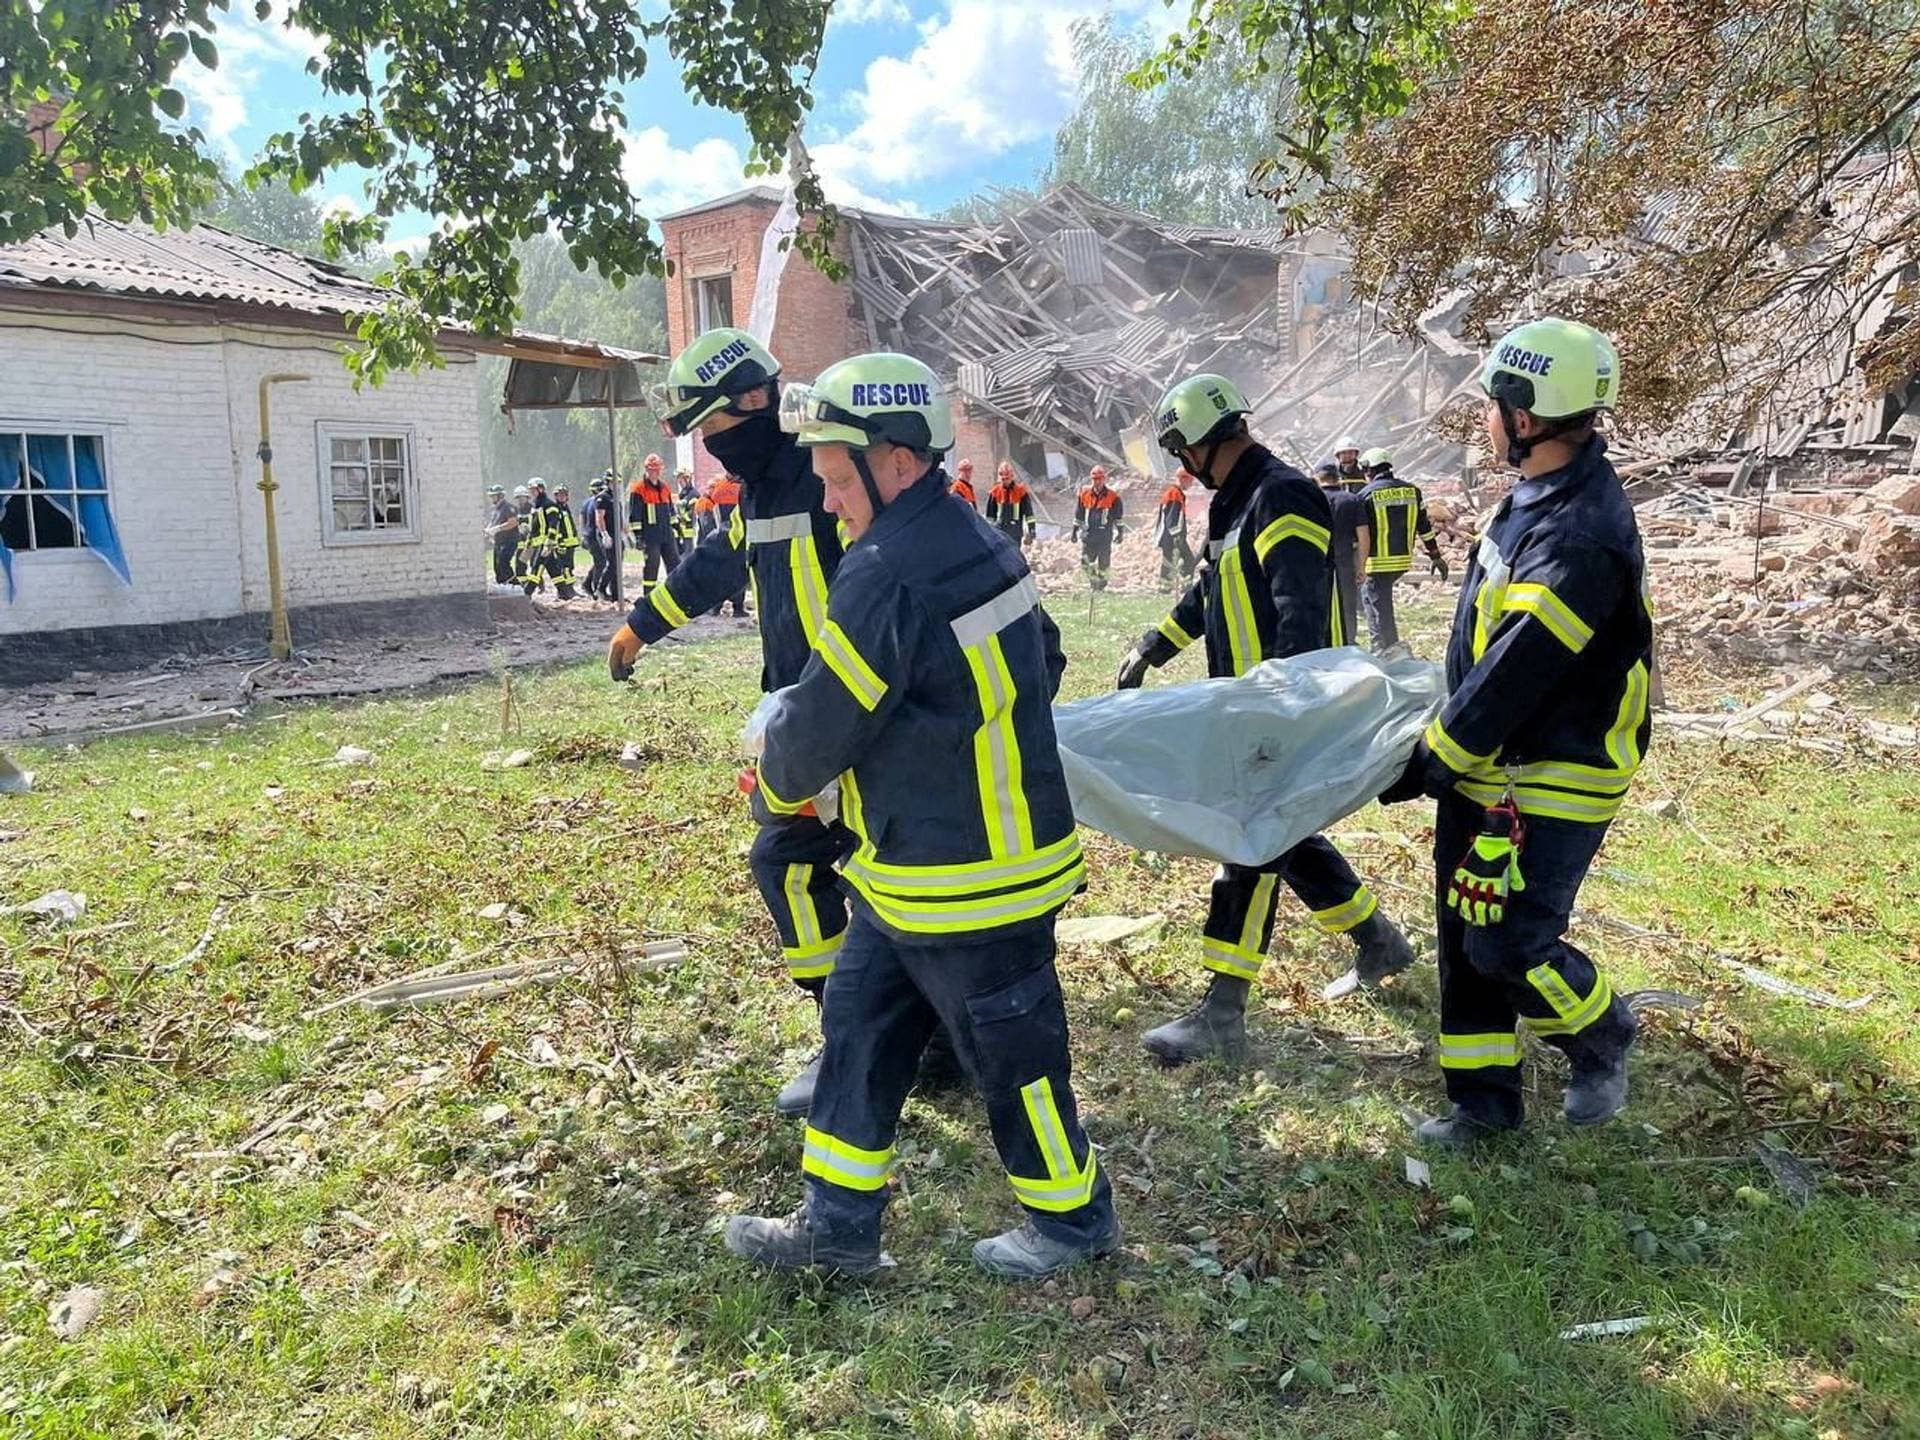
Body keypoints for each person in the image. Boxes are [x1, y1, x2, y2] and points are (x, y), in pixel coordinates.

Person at [721, 351, 1118, 1280]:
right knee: (856, 1028)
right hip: (912, 870)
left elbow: (817, 729)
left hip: (970, 881)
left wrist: (781, 795)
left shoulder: (883, 574)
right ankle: (836, 1231)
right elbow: (1045, 664)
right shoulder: (978, 537)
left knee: (1015, 1062)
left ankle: (1073, 1225)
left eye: (834, 477)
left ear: (893, 457)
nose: (827, 501)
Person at [1378, 318, 1644, 1149]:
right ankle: (1482, 1110)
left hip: (1555, 772)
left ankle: (1602, 1033)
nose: (1485, 419)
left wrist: (1431, 760)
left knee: (1509, 944)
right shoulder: (1538, 495)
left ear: (1525, 416)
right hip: (1494, 766)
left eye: (1494, 404)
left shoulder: (1578, 536)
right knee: (1465, 934)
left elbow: (1518, 672)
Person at [1114, 375, 1414, 1061]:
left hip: (1280, 707)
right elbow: (1206, 595)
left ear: (1196, 442)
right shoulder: (1234, 505)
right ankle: (1378, 941)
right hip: (1254, 706)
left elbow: (1300, 606)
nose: (1182, 467)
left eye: (1179, 451)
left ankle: (1221, 1011)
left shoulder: (1280, 493)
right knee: (1284, 835)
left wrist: (1285, 708)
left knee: (1248, 842)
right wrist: (1151, 647)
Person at [604, 328, 855, 1114]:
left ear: (754, 401)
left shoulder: (829, 474)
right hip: (811, 719)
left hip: (860, 716)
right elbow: (719, 560)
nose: (713, 452)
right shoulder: (765, 488)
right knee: (801, 865)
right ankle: (870, 1033)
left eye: (714, 431)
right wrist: (642, 624)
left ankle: (866, 1042)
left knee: (817, 866)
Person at [1356, 447, 1448, 653]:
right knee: (1370, 599)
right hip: (1402, 561)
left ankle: (1389, 648)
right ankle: (1378, 645)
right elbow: (1424, 527)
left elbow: (1362, 533)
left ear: (1369, 469)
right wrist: (1436, 556)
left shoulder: (1366, 494)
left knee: (1381, 607)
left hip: (1377, 562)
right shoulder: (1413, 491)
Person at [1316, 460, 1364, 646]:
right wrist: (1362, 565)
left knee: (1320, 604)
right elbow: (1363, 535)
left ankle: (1323, 644)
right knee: (1347, 606)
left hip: (1317, 561)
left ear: (1318, 479)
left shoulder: (1311, 498)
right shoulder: (1352, 499)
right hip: (1345, 561)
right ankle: (1348, 642)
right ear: (1338, 478)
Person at [630, 454, 682, 595]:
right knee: (652, 566)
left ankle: (675, 595)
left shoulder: (665, 488)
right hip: (650, 536)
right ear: (646, 469)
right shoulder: (638, 489)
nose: (655, 472)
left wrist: (677, 530)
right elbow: (635, 516)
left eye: (658, 469)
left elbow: (671, 512)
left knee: (674, 564)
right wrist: (639, 537)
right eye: (652, 469)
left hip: (666, 534)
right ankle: (648, 596)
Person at [1071, 465, 1123, 590]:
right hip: (1089, 534)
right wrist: (1074, 532)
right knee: (1085, 563)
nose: (1097, 481)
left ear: (1104, 479)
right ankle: (1094, 583)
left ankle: (1101, 586)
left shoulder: (1113, 496)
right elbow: (1079, 514)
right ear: (1091, 479)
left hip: (1105, 535)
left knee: (1104, 564)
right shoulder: (1084, 494)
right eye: (1095, 479)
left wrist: (1120, 533)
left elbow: (1118, 517)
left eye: (1099, 478)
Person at [708, 471, 749, 617]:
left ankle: (716, 606)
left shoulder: (720, 488)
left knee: (722, 571)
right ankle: (738, 608)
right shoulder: (743, 487)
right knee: (739, 572)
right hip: (739, 537)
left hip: (724, 535)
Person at [1154, 468, 1197, 587]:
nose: (1191, 484)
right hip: (1172, 536)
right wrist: (1176, 536)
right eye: (1191, 480)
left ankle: (1165, 588)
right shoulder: (1175, 494)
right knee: (1188, 560)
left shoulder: (1173, 492)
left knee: (1168, 561)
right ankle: (1186, 587)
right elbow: (1171, 519)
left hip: (1168, 536)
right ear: (1184, 479)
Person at [583, 476, 619, 600]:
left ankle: (590, 585)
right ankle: (597, 588)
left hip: (597, 535)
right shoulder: (598, 500)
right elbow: (595, 519)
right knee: (602, 563)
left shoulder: (611, 498)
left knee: (605, 563)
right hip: (594, 535)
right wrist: (603, 534)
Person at [984, 460, 1035, 548]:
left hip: (1015, 532)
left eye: (1007, 478)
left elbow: (1029, 513)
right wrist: (989, 533)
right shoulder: (995, 492)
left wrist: (1031, 529)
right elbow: (990, 516)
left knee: (1014, 556)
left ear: (1012, 476)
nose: (1005, 481)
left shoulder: (1021, 492)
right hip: (999, 530)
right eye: (1003, 479)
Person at [484, 484, 519, 585]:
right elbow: (493, 522)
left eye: (493, 496)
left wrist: (497, 529)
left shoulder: (509, 508)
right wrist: (488, 531)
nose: (491, 498)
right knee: (497, 567)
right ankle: (502, 585)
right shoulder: (495, 509)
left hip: (509, 541)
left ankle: (515, 585)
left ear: (500, 496)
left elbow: (513, 522)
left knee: (503, 563)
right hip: (498, 542)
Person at [509, 485, 535, 589]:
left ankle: (539, 584)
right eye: (518, 498)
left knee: (534, 564)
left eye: (522, 497)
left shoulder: (533, 508)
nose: (520, 500)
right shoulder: (515, 510)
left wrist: (528, 529)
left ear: (527, 497)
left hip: (532, 542)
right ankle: (523, 584)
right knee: (520, 565)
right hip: (520, 543)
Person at [673, 466, 699, 551]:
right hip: (680, 529)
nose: (679, 482)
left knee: (688, 553)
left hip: (688, 529)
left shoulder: (693, 494)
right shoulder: (683, 494)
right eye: (678, 480)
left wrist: (680, 518)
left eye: (681, 480)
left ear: (687, 479)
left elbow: (692, 513)